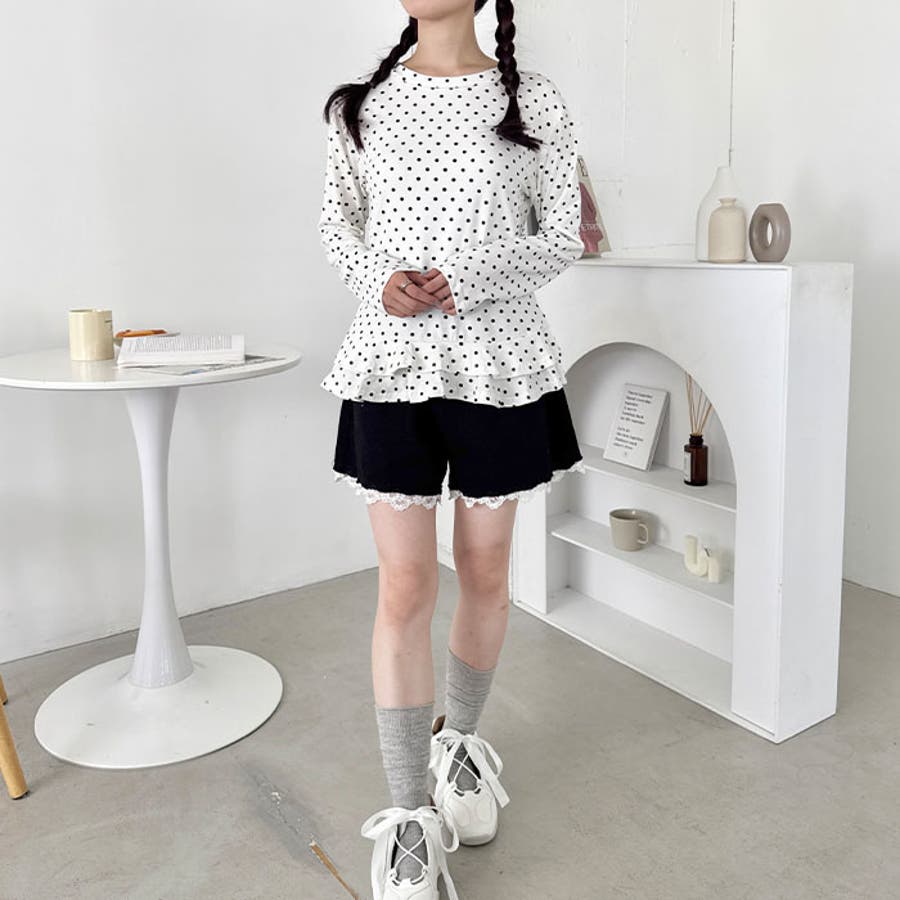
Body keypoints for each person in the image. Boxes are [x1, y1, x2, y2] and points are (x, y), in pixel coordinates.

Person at [317, 1, 585, 896]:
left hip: (499, 360)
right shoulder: (358, 106)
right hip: (389, 362)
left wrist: (464, 278)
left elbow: (562, 235)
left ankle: (460, 745)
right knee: (404, 585)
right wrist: (379, 281)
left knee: (484, 572)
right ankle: (408, 815)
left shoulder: (532, 100)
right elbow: (337, 224)